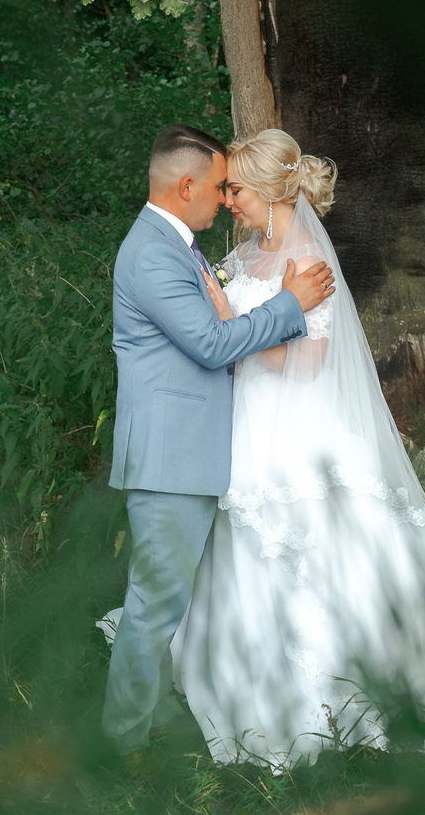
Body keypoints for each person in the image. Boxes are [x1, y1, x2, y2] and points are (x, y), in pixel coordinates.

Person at [163, 128, 425, 767]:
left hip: (298, 426)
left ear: (274, 192)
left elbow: (306, 366)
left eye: (238, 190)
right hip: (252, 421)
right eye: (228, 191)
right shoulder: (250, 253)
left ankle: (352, 675)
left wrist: (231, 326)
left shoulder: (307, 260)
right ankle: (247, 658)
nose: (230, 201)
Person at [100, 124, 337, 756]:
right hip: (171, 458)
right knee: (154, 605)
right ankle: (123, 745)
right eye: (216, 186)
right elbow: (210, 345)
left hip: (193, 452)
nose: (224, 199)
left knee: (171, 604)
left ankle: (153, 719)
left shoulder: (179, 246)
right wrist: (288, 305)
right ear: (185, 186)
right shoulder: (153, 253)